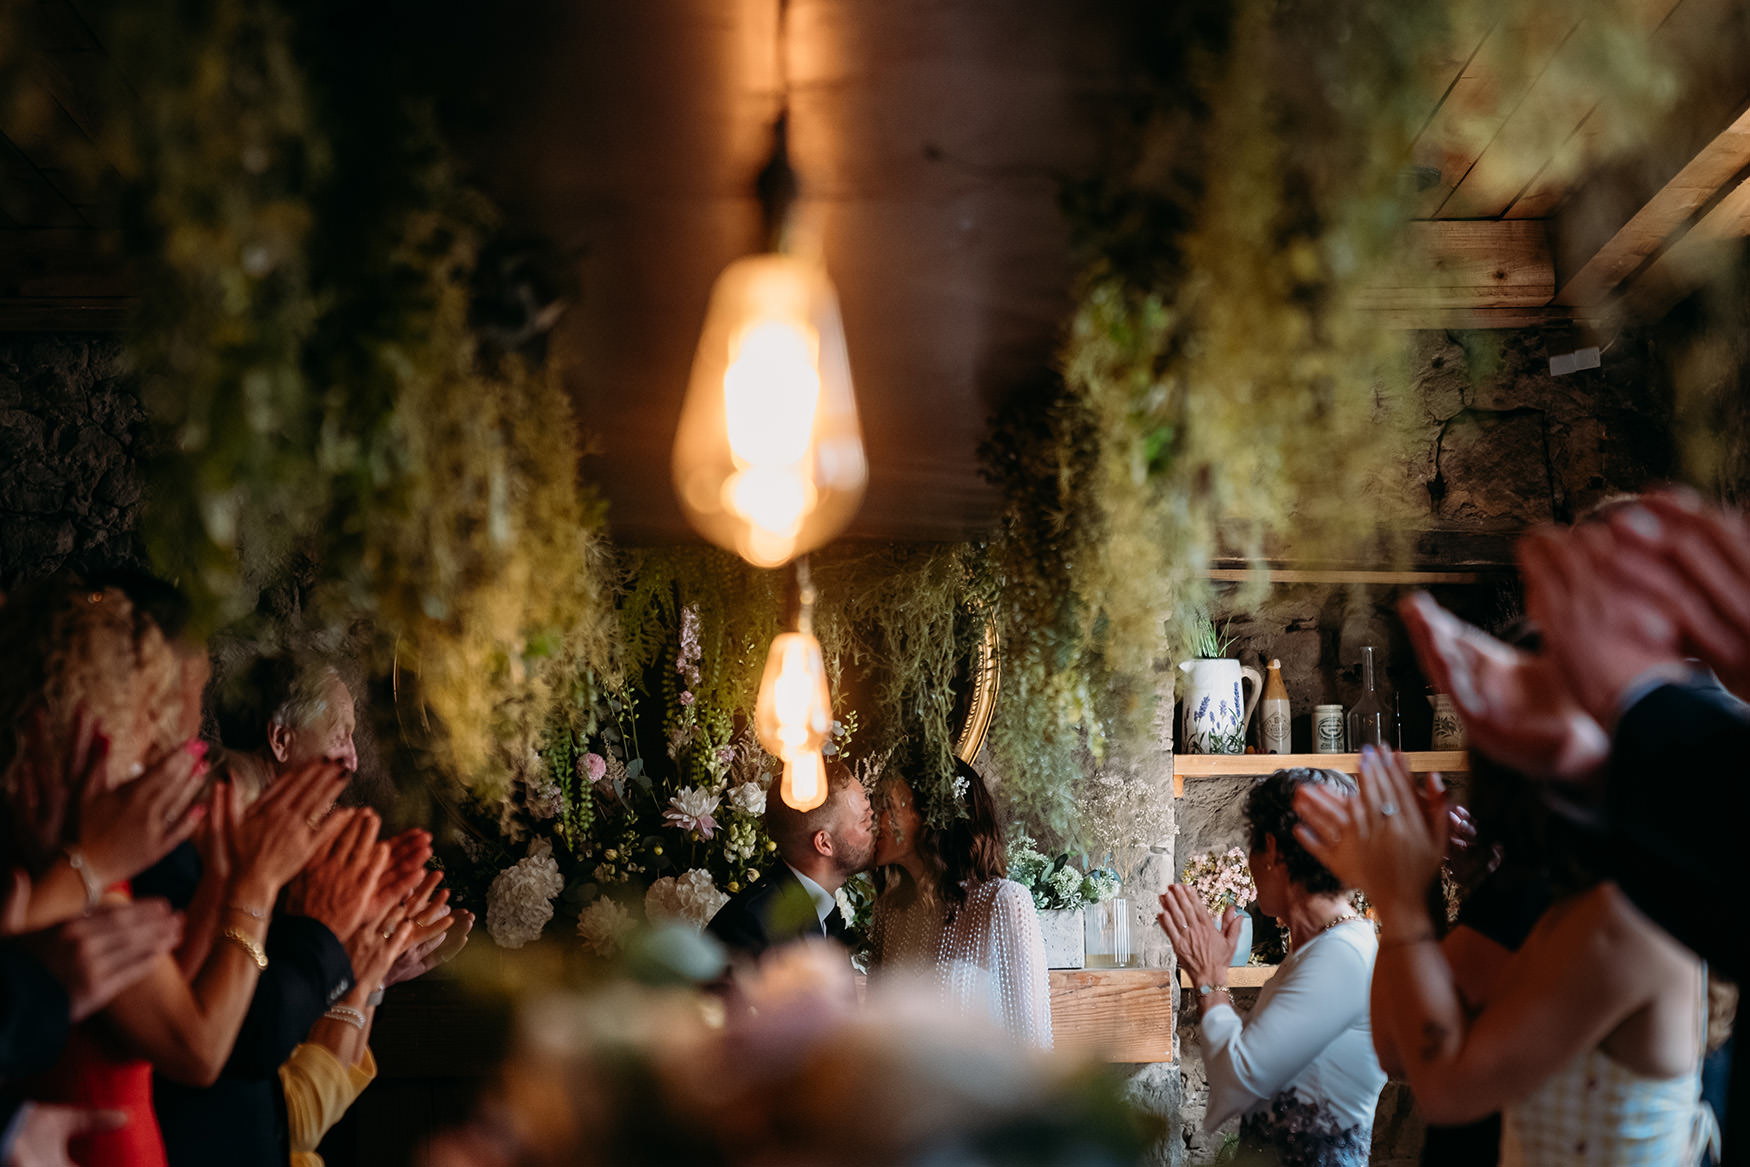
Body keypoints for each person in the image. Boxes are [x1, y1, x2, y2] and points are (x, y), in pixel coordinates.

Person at [0, 578, 348, 1167]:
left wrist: (221, 878)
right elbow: (199, 1047)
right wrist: (254, 886)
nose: (169, 736)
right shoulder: (62, 858)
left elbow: (169, 986)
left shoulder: (76, 856)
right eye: (146, 714)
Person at [1295, 748, 1714, 1165]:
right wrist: (1415, 881)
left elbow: (1443, 1087)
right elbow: (1399, 1050)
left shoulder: (1617, 917)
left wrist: (1400, 893)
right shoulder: (1560, 895)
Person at [135, 651, 441, 1167]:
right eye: (340, 735)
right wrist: (351, 963)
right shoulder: (221, 823)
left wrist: (370, 967)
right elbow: (263, 1046)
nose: (354, 760)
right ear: (279, 740)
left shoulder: (279, 841)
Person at [1156, 767, 1384, 1166]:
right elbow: (1265, 1063)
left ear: (1274, 850)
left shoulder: (1343, 953)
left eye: (1253, 847)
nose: (1249, 862)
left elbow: (1240, 1079)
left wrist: (1211, 980)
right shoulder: (1321, 947)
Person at [869, 754, 1052, 1049]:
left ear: (932, 815)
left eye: (889, 807)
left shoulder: (1002, 901)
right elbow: (872, 1037)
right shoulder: (889, 909)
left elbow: (1031, 1043)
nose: (876, 819)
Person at [707, 758, 875, 958]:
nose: (877, 824)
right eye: (865, 819)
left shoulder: (821, 912)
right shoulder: (753, 928)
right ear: (824, 844)